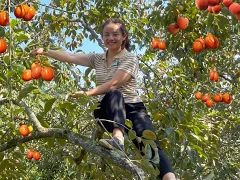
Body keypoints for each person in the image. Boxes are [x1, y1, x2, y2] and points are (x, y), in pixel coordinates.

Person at [31, 18, 176, 180]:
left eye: (115, 34)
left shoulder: (130, 59)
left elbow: (114, 83)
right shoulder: (97, 58)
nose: (110, 38)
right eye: (106, 35)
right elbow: (70, 56)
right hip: (107, 111)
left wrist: (87, 93)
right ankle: (118, 138)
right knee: (113, 95)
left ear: (124, 37)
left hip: (133, 110)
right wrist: (45, 51)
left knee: (150, 148)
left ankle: (169, 178)